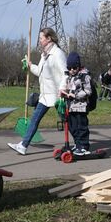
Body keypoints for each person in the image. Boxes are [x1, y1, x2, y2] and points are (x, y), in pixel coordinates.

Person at [8, 27, 67, 155]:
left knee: (67, 120)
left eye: (41, 38)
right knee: (35, 119)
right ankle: (23, 146)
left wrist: (62, 89)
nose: (39, 41)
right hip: (45, 96)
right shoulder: (44, 55)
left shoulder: (58, 54)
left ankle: (81, 143)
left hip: (56, 95)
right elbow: (39, 72)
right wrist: (29, 65)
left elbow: (65, 74)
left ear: (49, 38)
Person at [62, 52, 92, 156]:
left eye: (74, 67)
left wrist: (76, 95)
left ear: (78, 66)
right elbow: (69, 87)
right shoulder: (70, 76)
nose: (72, 70)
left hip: (81, 106)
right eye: (69, 68)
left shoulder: (84, 76)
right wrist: (65, 92)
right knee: (73, 126)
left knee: (81, 127)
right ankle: (78, 144)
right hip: (71, 107)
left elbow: (88, 91)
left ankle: (84, 146)